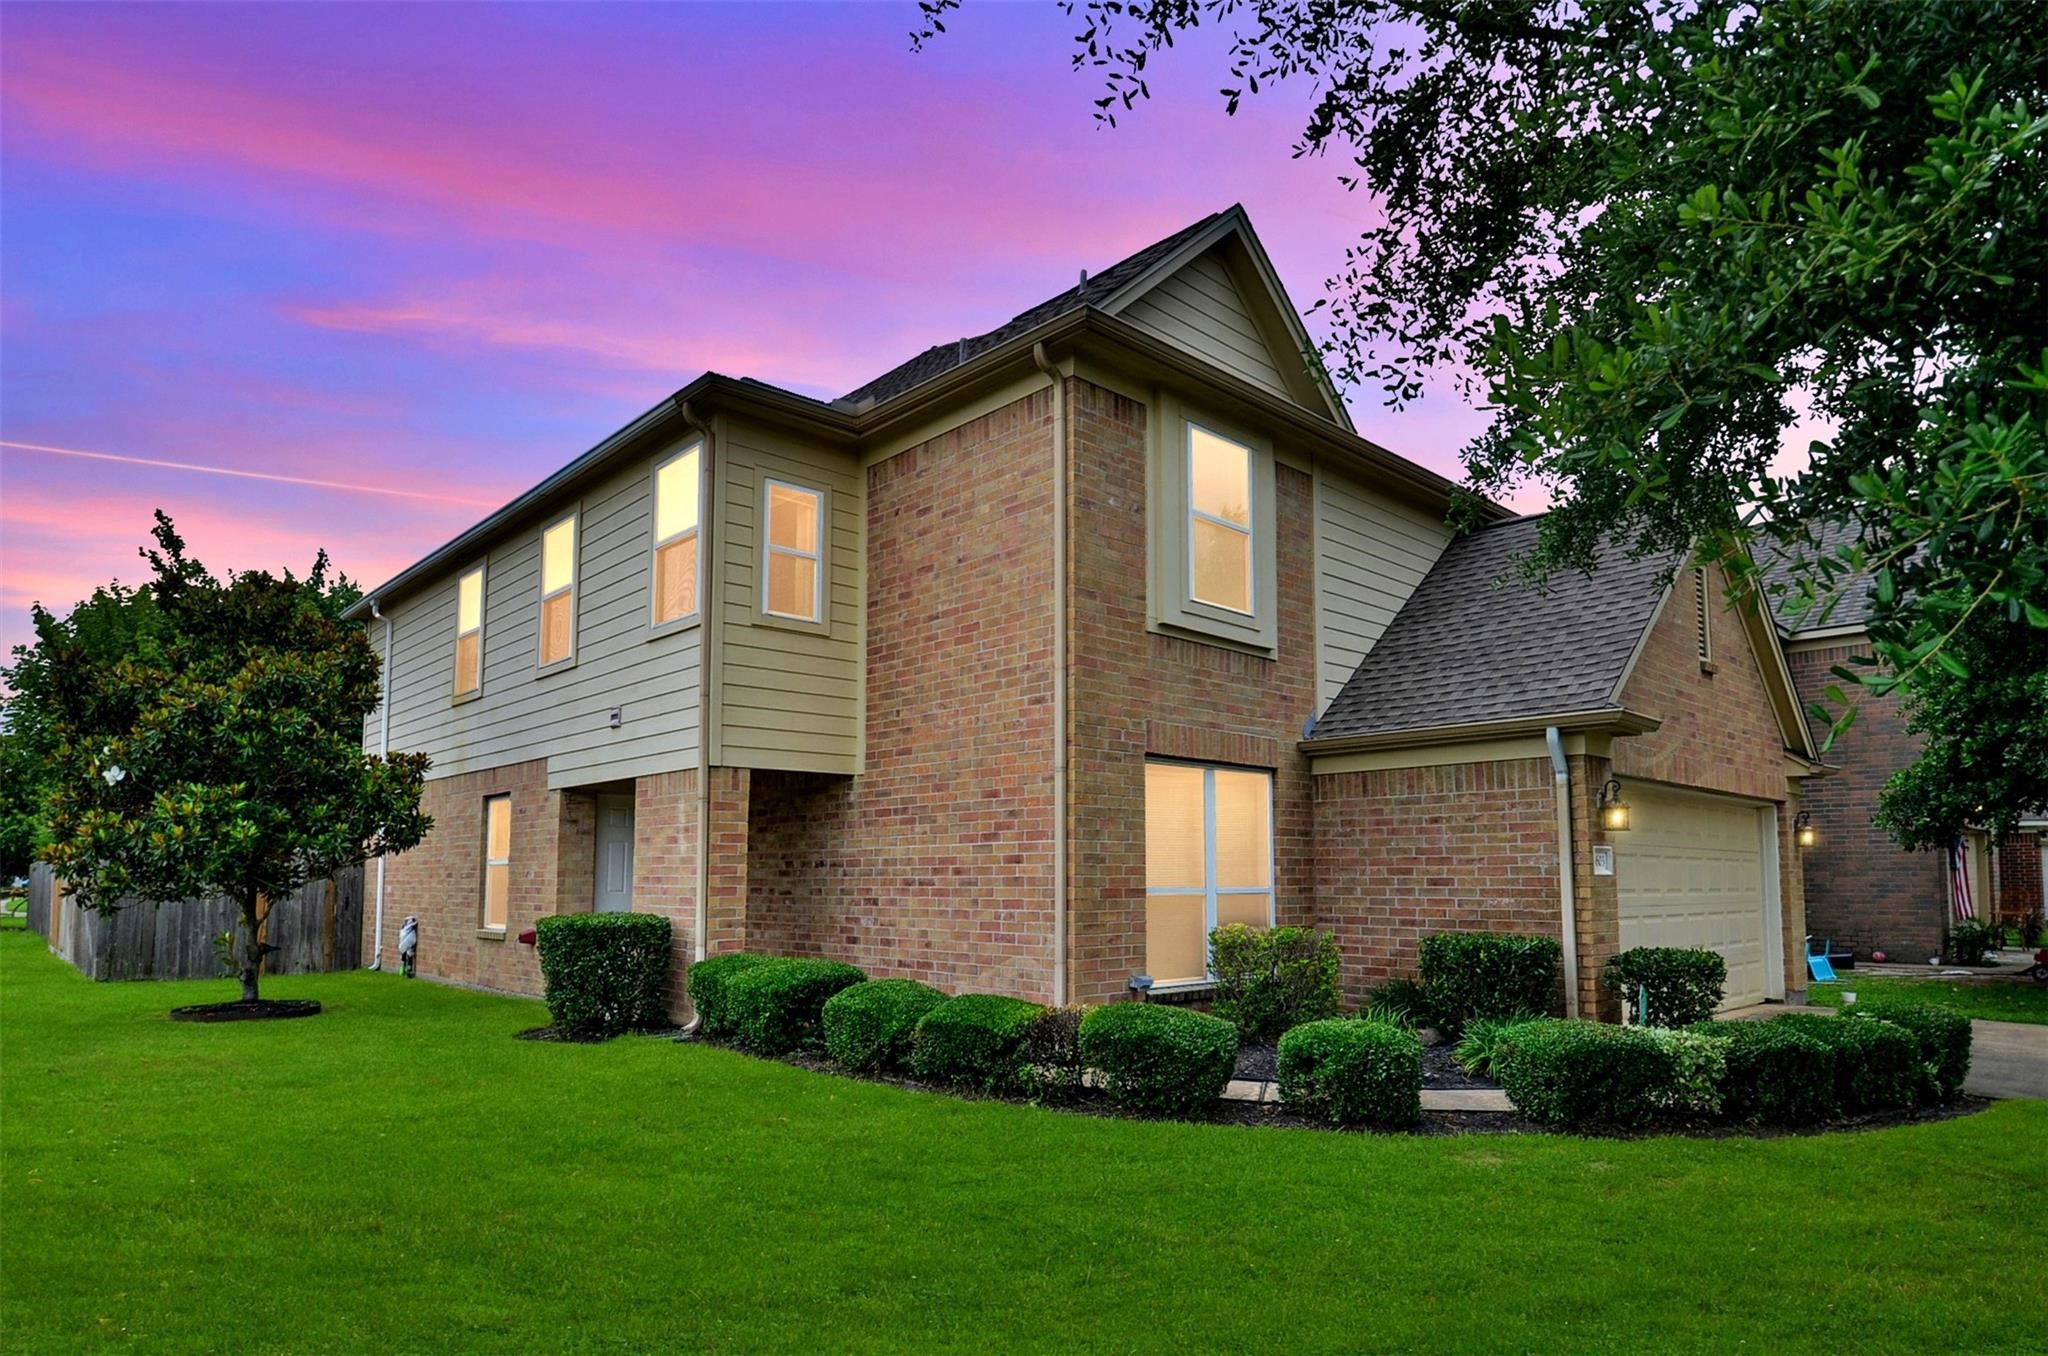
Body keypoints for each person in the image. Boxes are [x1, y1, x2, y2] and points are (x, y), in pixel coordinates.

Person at [398, 915, 419, 979]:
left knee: (407, 955)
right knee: (408, 955)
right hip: (406, 943)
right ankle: (407, 970)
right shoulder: (405, 930)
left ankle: (407, 970)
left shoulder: (404, 930)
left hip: (406, 943)